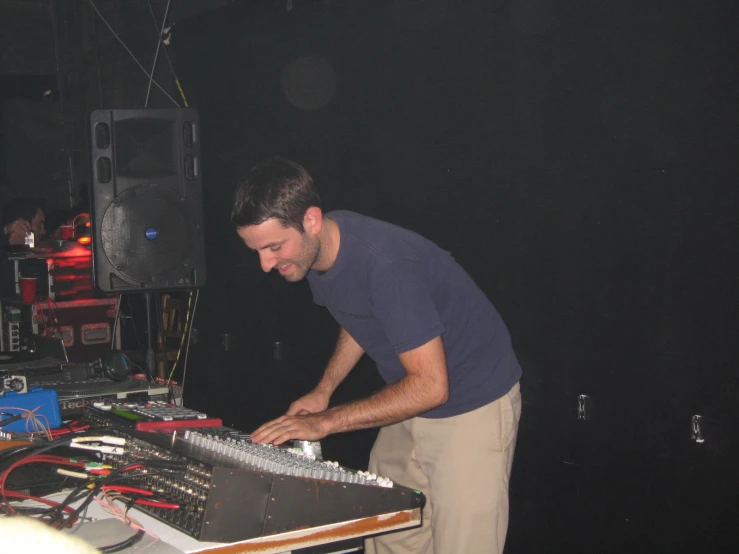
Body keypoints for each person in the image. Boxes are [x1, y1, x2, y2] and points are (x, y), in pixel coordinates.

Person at [233, 157, 522, 554]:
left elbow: (432, 387)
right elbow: (359, 317)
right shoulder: (321, 254)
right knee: (388, 529)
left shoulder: (388, 266)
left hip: (469, 404)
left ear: (311, 220)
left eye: (273, 247)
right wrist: (324, 390)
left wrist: (325, 423)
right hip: (412, 399)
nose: (266, 264)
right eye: (257, 250)